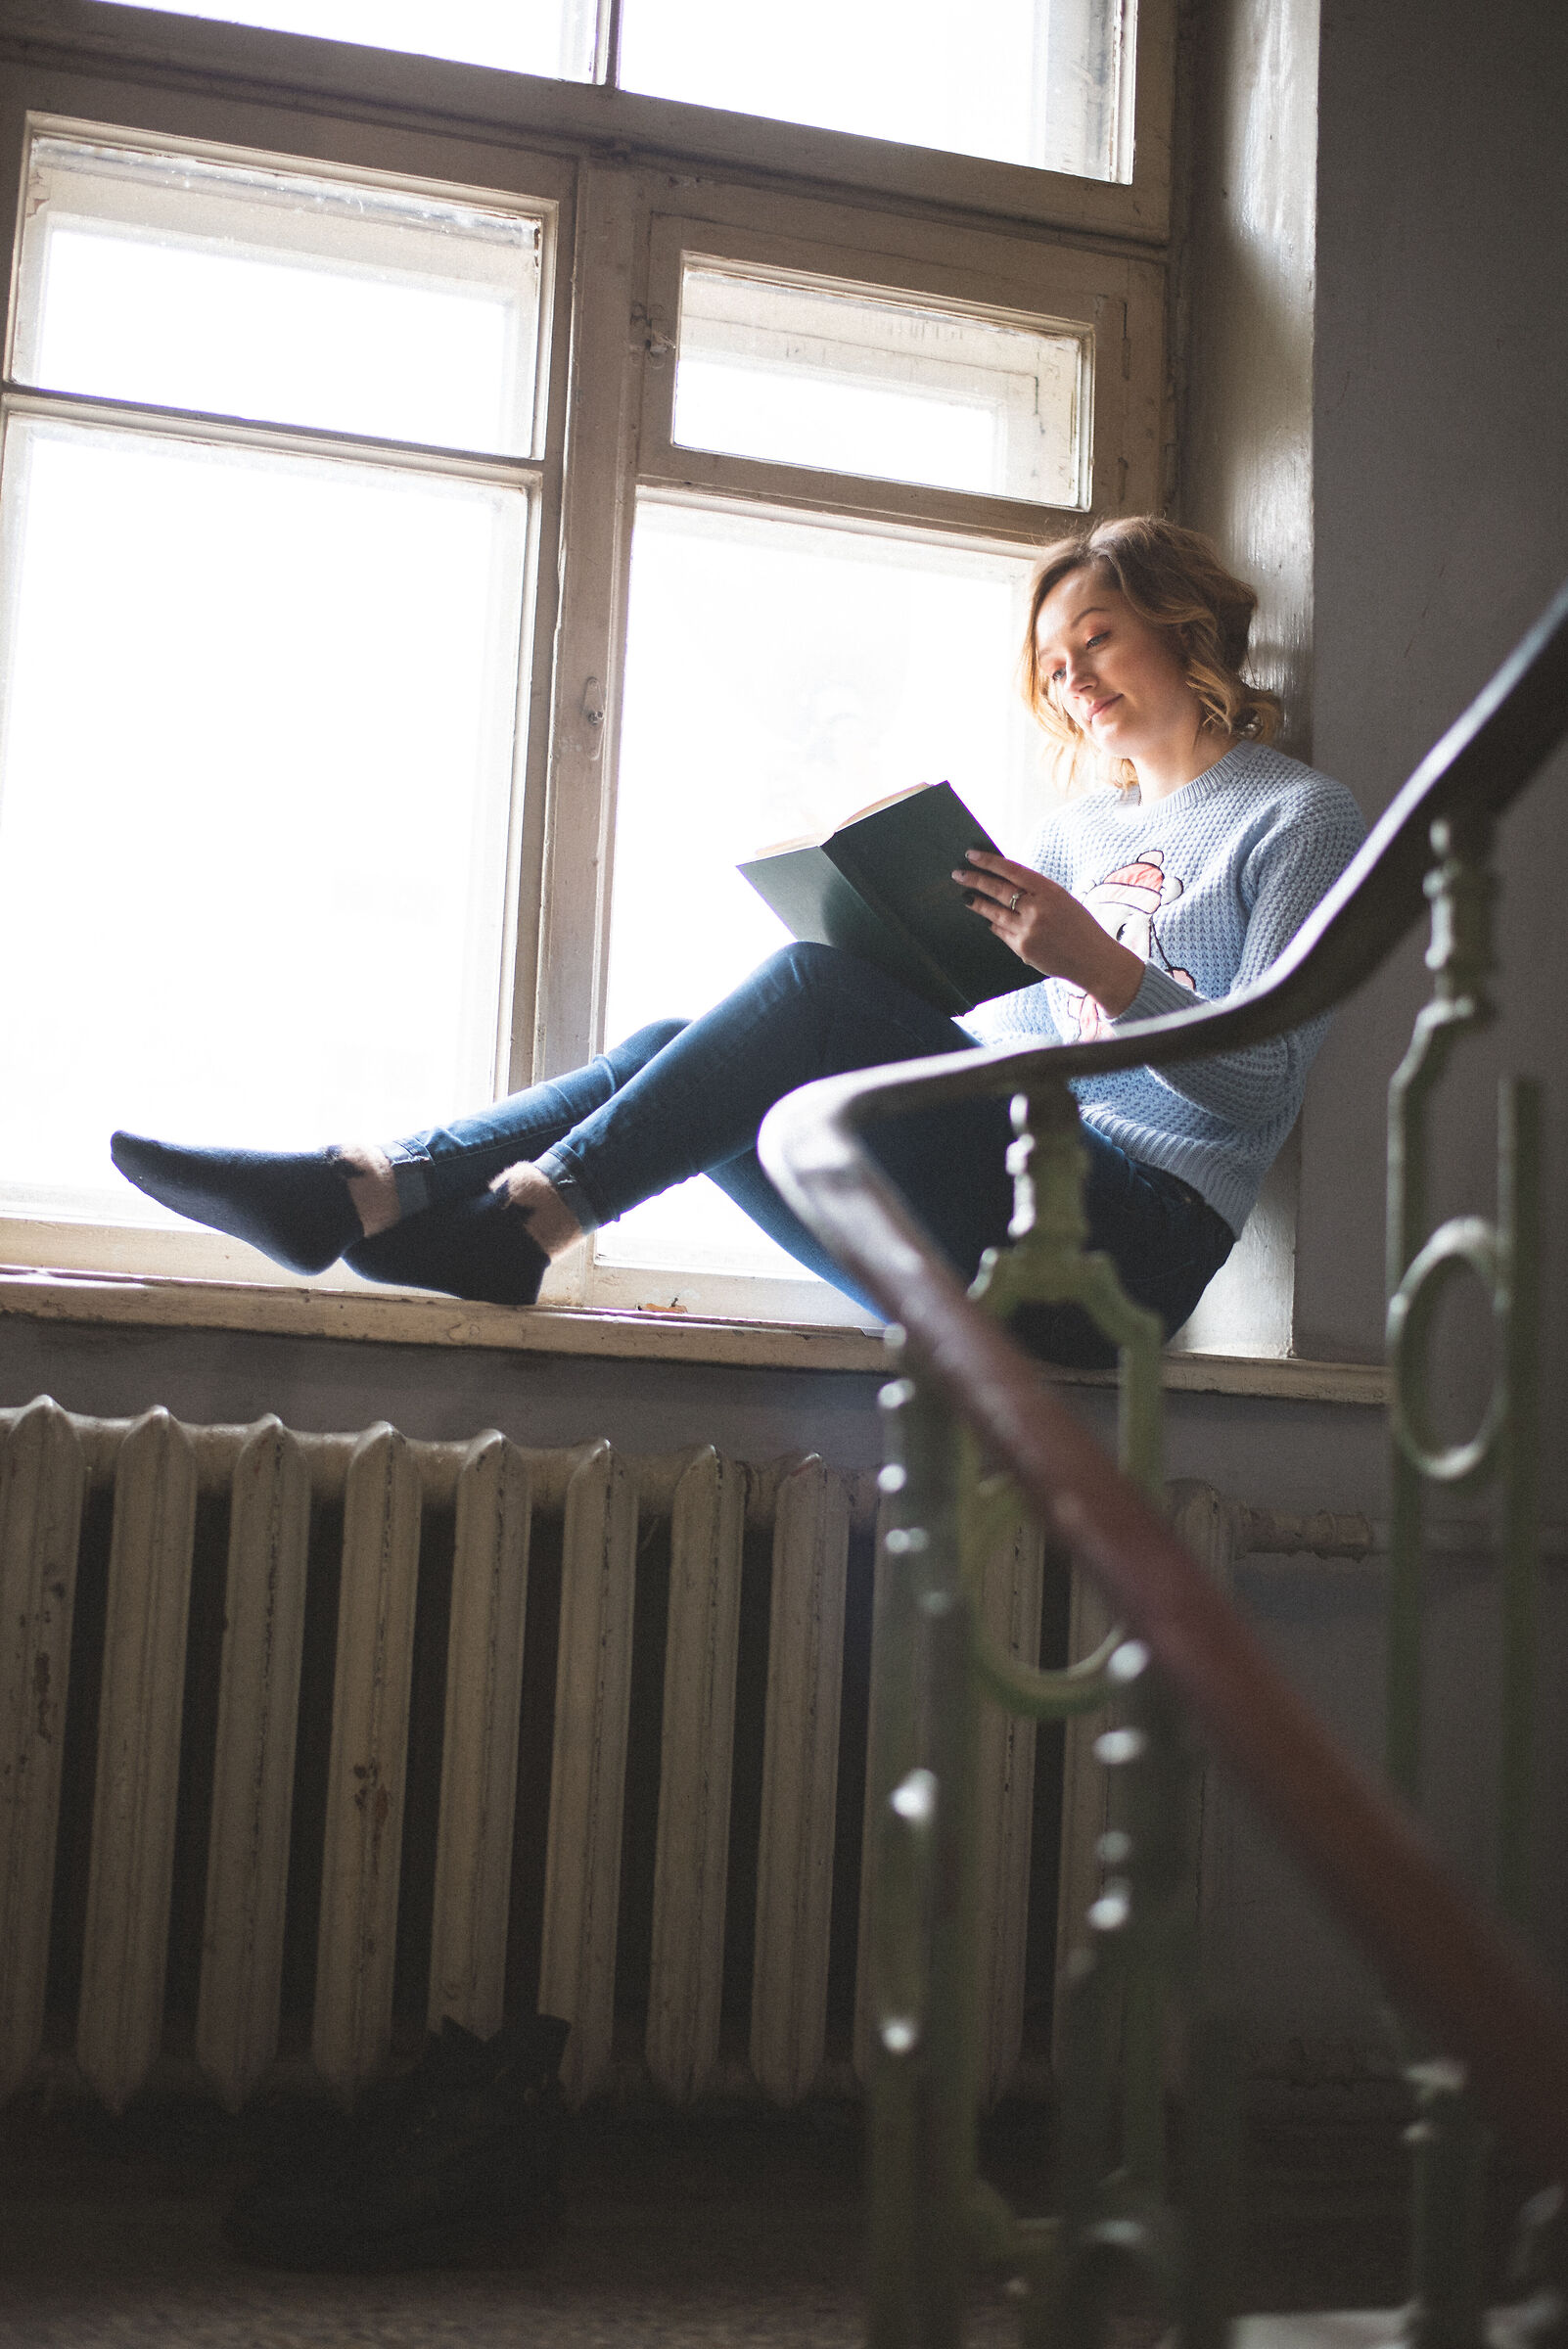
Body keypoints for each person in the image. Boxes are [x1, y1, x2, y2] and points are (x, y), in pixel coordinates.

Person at [111, 516, 1366, 1368]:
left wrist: (1092, 959)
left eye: (1094, 637)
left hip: (1126, 1257)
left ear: (1183, 626)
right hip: (1011, 1215)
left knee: (806, 1002)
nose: (1070, 675)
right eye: (1050, 661)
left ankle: (503, 1219)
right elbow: (1006, 1049)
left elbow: (1260, 1088)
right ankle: (377, 1184)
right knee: (685, 1046)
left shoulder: (1297, 819)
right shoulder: (1075, 829)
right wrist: (905, 951)